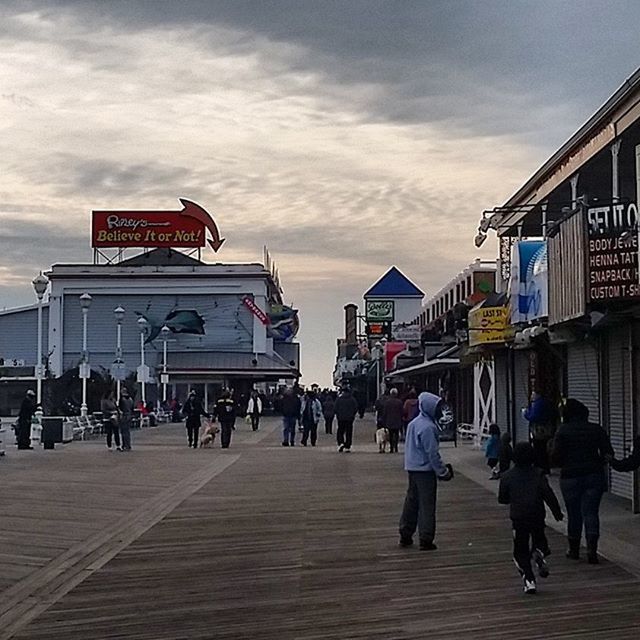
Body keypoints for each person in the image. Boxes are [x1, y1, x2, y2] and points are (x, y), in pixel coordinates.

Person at [551, 398, 613, 564]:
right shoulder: (596, 430)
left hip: (570, 476)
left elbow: (555, 458)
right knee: (591, 512)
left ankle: (574, 549)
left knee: (574, 514)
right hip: (594, 475)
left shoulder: (562, 431)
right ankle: (592, 550)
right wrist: (598, 462)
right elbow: (608, 453)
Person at [498, 442, 563, 594]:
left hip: (518, 517)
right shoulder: (538, 473)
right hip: (537, 514)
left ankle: (529, 580)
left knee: (520, 551)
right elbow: (548, 494)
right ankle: (539, 552)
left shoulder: (507, 476)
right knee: (540, 538)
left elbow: (502, 499)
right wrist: (557, 512)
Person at [398, 392, 453, 550]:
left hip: (412, 468)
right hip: (425, 471)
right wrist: (442, 472)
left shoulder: (414, 423)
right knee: (427, 505)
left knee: (411, 502)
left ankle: (405, 533)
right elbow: (432, 454)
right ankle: (426, 538)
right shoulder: (428, 427)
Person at [523, 391, 558, 474]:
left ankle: (540, 467)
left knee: (539, 449)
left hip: (539, 431)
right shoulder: (547, 403)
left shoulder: (538, 404)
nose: (531, 396)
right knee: (544, 450)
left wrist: (525, 414)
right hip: (547, 430)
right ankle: (545, 467)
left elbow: (533, 417)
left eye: (533, 394)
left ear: (537, 395)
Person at [334, 386, 359, 452]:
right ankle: (348, 445)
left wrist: (338, 414)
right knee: (349, 432)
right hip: (349, 418)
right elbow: (355, 408)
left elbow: (335, 408)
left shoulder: (339, 399)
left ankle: (341, 443)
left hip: (341, 418)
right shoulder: (352, 399)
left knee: (340, 431)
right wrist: (352, 415)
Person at [382, 388, 404, 453]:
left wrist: (384, 420)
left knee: (391, 435)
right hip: (397, 421)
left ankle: (391, 447)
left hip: (389, 421)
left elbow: (385, 412)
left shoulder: (387, 402)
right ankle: (396, 447)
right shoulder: (399, 402)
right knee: (396, 434)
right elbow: (402, 412)